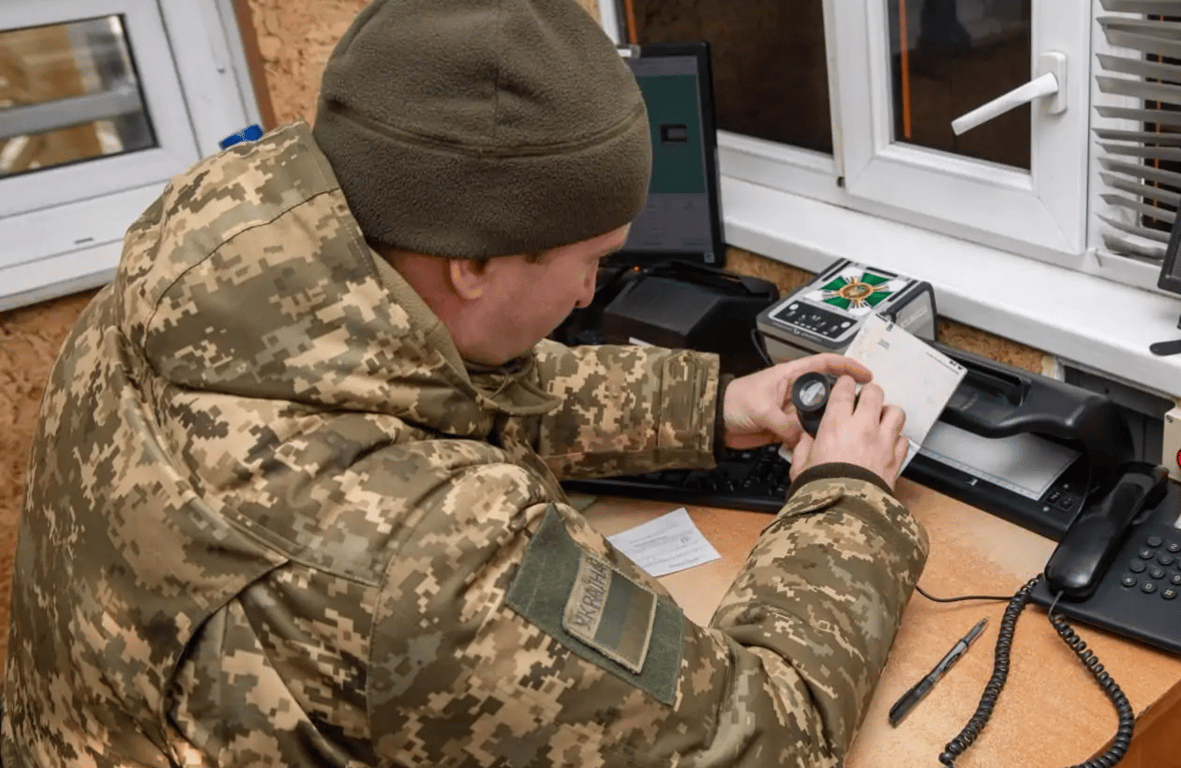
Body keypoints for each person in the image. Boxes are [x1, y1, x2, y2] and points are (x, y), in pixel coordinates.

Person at [1, 0, 929, 765]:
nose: (588, 291)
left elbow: (434, 382)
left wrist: (715, 406)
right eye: (593, 260)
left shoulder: (204, 273)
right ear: (473, 263)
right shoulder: (436, 553)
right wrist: (843, 499)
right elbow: (764, 742)